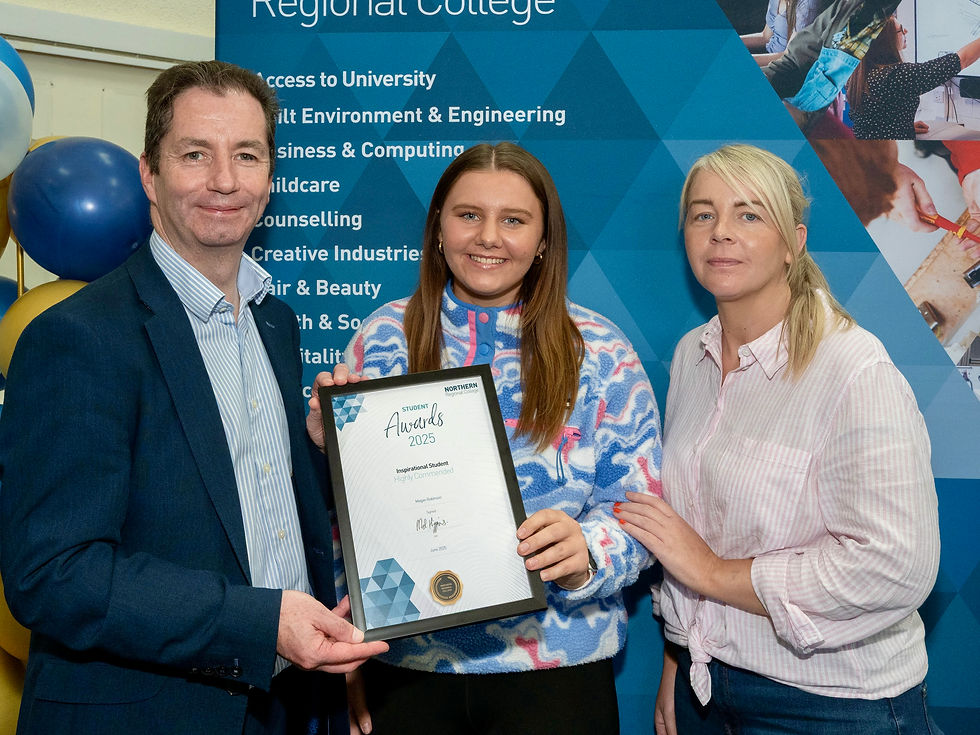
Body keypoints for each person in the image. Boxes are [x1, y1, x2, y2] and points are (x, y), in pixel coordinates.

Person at [0, 60, 387, 735]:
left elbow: (235, 507)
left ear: (270, 177)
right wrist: (259, 622)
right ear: (150, 174)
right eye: (195, 154)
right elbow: (54, 573)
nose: (225, 180)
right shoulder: (78, 336)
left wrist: (315, 451)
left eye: (247, 155)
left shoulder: (276, 322)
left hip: (289, 704)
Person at [306, 142, 663, 735]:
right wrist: (349, 646)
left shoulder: (600, 351)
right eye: (468, 214)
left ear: (543, 240)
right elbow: (349, 525)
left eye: (514, 220)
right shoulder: (382, 338)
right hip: (406, 672)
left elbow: (641, 509)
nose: (488, 237)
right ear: (438, 228)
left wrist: (588, 552)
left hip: (560, 673)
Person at [614, 144, 941, 734]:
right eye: (703, 214)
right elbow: (692, 527)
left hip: (832, 705)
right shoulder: (692, 356)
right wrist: (679, 652)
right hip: (705, 685)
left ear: (794, 242)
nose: (720, 231)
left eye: (748, 213)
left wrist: (713, 572)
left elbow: (895, 567)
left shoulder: (853, 368)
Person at [847, 16, 980, 139]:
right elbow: (962, 60)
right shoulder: (895, 76)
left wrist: (901, 126)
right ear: (886, 40)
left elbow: (868, 117)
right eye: (900, 30)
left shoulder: (860, 73)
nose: (906, 31)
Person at [740, 0, 823, 67]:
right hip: (768, 56)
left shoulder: (808, 4)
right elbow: (765, 37)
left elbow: (789, 56)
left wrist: (743, 60)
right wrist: (734, 42)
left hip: (782, 67)